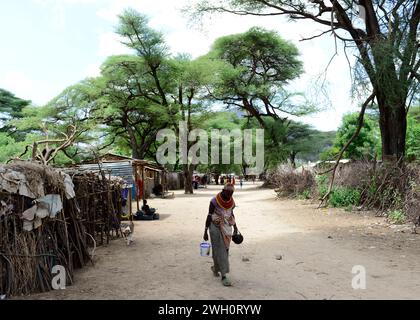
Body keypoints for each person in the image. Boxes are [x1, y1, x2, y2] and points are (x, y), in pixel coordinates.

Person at [203, 183, 238, 286]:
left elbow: (231, 214)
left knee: (225, 249)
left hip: (226, 226)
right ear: (223, 191)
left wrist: (235, 227)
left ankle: (215, 268)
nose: (230, 194)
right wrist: (205, 231)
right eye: (228, 192)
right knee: (219, 248)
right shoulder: (214, 201)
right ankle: (224, 275)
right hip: (214, 226)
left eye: (232, 193)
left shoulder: (231, 202)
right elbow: (209, 216)